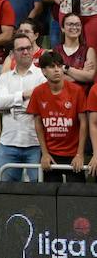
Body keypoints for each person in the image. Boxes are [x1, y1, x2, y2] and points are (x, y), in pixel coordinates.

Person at [29, 52, 88, 182]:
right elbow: (38, 124)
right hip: (51, 155)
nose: (56, 70)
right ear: (43, 71)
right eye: (51, 66)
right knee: (50, 198)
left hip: (73, 154)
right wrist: (44, 153)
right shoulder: (38, 92)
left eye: (59, 66)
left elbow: (84, 123)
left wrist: (80, 154)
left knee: (77, 197)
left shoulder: (77, 91)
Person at [0, 36, 45, 182]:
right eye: (21, 49)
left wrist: (11, 104)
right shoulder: (4, 78)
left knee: (37, 192)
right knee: (7, 193)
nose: (25, 52)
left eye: (28, 48)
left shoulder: (42, 76)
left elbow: (40, 105)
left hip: (34, 143)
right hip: (8, 142)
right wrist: (24, 95)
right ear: (12, 54)